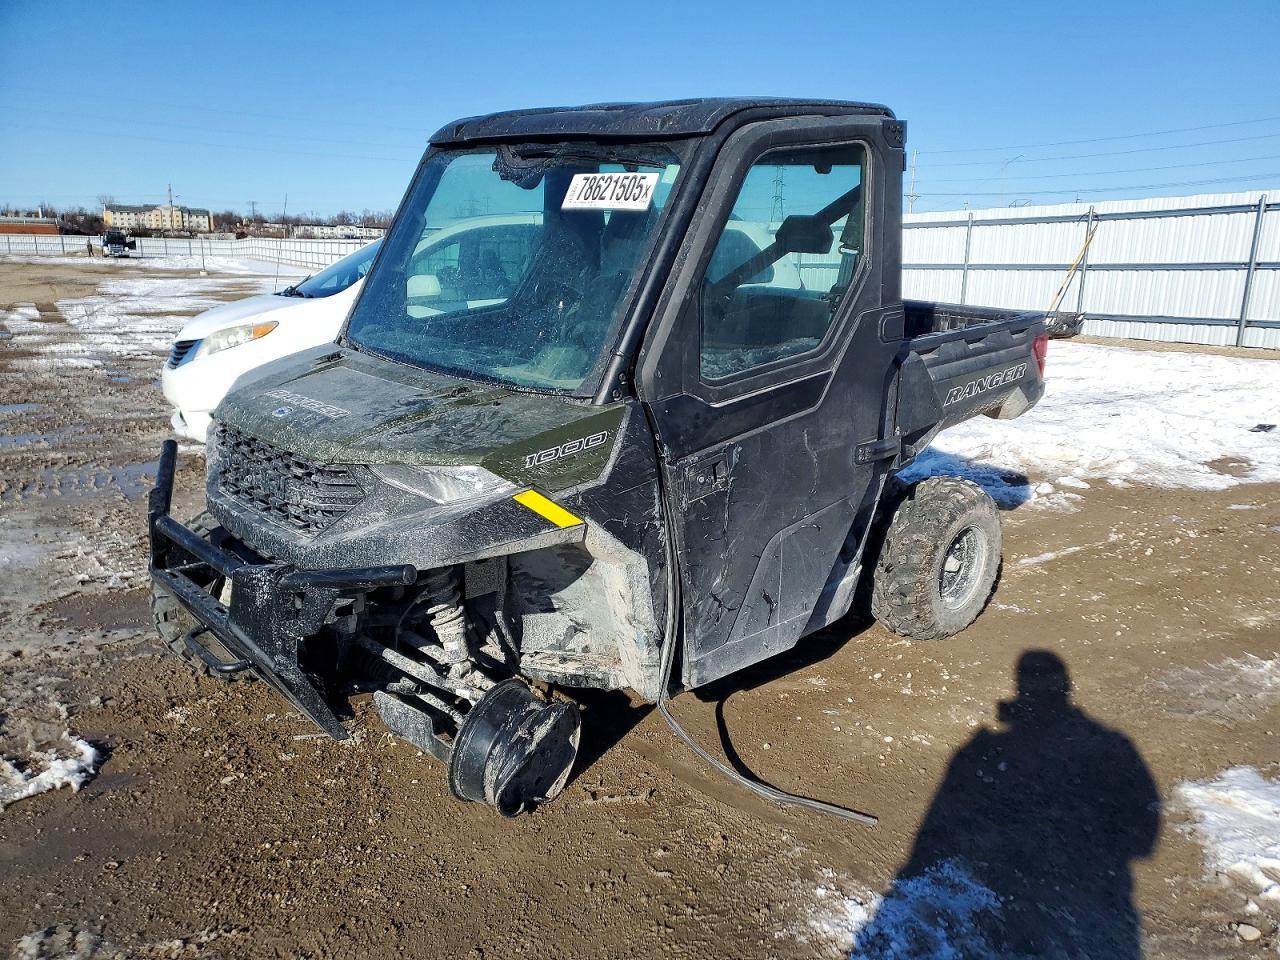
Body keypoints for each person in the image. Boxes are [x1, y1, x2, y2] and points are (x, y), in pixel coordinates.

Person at [852, 650, 1160, 959]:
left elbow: (1140, 837)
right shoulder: (1108, 744)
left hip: (1061, 894)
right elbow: (1142, 840)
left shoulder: (1100, 746)